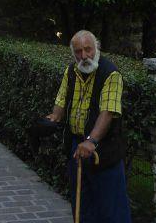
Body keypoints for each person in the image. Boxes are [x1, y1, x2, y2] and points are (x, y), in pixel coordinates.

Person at [44, 30, 132, 223]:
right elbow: (60, 101)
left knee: (111, 211)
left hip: (104, 151)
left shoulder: (111, 73)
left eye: (87, 50)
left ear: (96, 48)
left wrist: (91, 140)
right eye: (78, 51)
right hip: (77, 149)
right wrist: (53, 117)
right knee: (82, 209)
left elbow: (107, 112)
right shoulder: (71, 71)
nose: (83, 56)